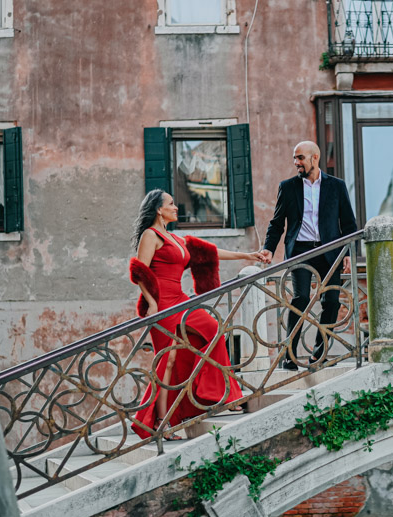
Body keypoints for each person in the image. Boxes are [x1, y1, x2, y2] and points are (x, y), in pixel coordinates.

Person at [128, 189, 266, 440]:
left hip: (180, 301)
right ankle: (161, 423)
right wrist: (151, 302)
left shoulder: (176, 239)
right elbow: (139, 270)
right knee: (166, 361)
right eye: (171, 204)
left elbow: (211, 252)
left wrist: (247, 255)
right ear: (159, 209)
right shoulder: (150, 235)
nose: (176, 207)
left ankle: (220, 394)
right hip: (162, 305)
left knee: (211, 329)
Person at [258, 141, 357, 371]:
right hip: (301, 251)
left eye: (300, 158)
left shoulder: (337, 186)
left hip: (330, 251)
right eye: (294, 158)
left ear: (315, 157)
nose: (296, 163)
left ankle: (318, 355)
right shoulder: (288, 186)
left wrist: (349, 252)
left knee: (331, 301)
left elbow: (349, 224)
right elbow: (276, 224)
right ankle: (290, 356)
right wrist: (269, 249)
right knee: (300, 299)